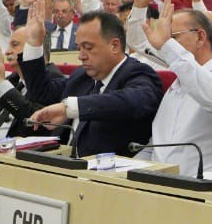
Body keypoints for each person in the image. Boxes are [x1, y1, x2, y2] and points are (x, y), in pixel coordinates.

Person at [125, 0, 212, 175]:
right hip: (165, 188)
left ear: (200, 37)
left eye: (172, 37)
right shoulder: (175, 87)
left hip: (210, 194)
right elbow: (157, 147)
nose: (166, 44)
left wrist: (167, 45)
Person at [21, 10, 162, 156]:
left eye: (88, 48)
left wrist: (70, 108)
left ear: (114, 46)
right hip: (62, 163)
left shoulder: (139, 73)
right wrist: (34, 43)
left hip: (108, 174)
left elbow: (130, 102)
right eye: (79, 48)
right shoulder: (82, 75)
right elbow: (41, 93)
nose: (81, 56)